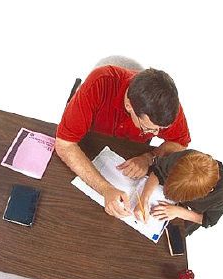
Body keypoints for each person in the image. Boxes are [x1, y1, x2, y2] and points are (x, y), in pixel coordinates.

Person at [55, 63, 190, 219]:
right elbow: (64, 144)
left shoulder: (167, 106)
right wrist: (105, 189)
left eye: (160, 129)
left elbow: (179, 143)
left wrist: (149, 157)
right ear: (129, 106)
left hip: (129, 152)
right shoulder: (99, 82)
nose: (158, 134)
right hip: (89, 144)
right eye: (148, 129)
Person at [134, 150, 223, 235]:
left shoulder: (222, 195)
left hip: (185, 216)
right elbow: (158, 171)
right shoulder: (185, 159)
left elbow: (208, 220)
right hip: (160, 197)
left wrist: (179, 212)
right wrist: (144, 199)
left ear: (208, 192)